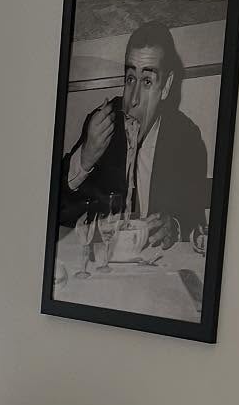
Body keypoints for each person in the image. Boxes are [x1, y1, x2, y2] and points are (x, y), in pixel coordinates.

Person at [57, 20, 208, 243]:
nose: (134, 99)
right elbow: (61, 210)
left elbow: (194, 218)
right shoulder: (101, 124)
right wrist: (86, 158)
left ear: (165, 87)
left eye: (147, 81)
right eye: (130, 79)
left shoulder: (186, 139)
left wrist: (173, 226)